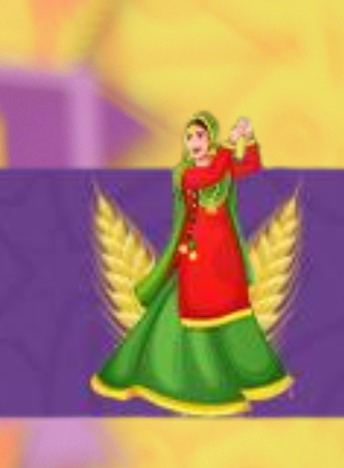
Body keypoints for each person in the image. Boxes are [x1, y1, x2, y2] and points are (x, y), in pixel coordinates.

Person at [92, 112, 293, 414]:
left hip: (223, 256)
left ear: (209, 138)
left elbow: (249, 166)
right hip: (197, 256)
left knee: (232, 308)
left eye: (199, 135)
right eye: (189, 137)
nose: (194, 142)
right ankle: (192, 378)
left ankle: (248, 371)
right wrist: (229, 145)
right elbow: (208, 176)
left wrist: (247, 139)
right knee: (194, 309)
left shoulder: (221, 166)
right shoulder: (186, 173)